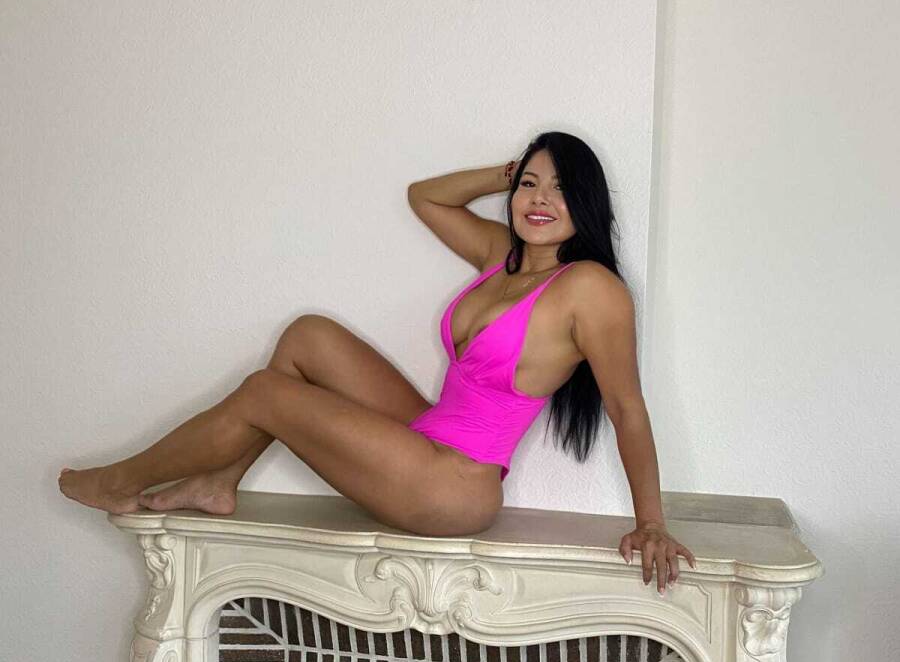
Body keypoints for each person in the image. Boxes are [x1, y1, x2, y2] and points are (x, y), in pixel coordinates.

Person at [58, 131, 695, 592]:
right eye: (530, 183)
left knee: (263, 393)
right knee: (308, 336)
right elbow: (426, 198)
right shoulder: (500, 255)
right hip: (428, 438)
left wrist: (652, 521)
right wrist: (508, 170)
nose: (540, 198)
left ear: (586, 202)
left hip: (456, 484)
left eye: (560, 188)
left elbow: (626, 407)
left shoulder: (589, 288)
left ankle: (122, 482)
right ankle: (221, 480)